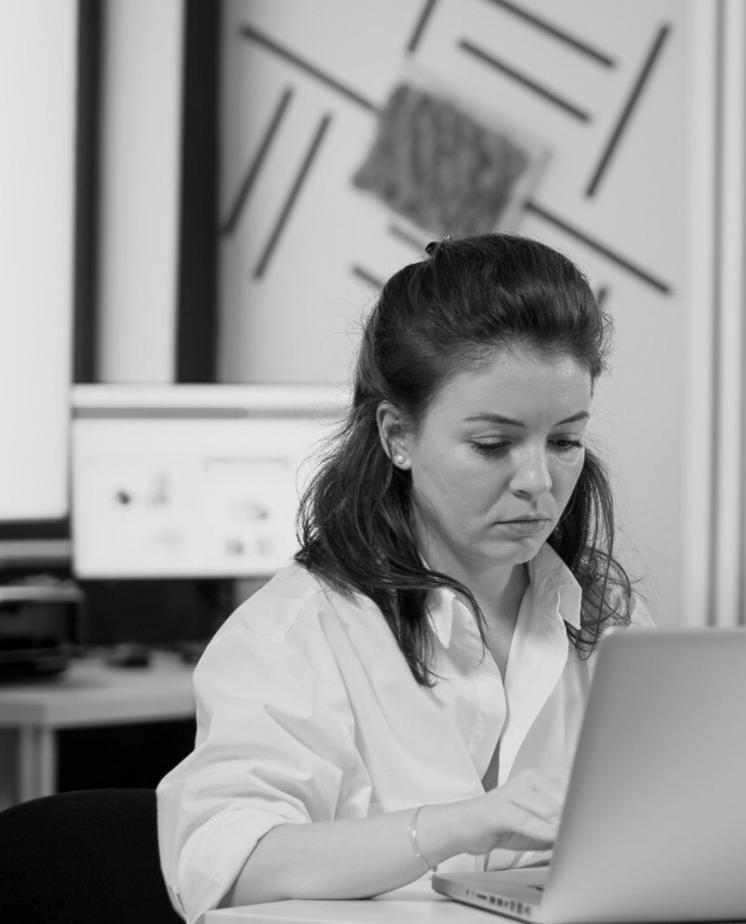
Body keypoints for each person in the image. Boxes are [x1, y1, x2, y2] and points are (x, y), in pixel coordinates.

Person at [157, 234, 648, 920]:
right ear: (397, 435)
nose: (538, 481)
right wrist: (457, 824)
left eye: (564, 441)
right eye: (492, 445)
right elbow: (227, 869)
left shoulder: (607, 621)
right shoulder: (300, 632)